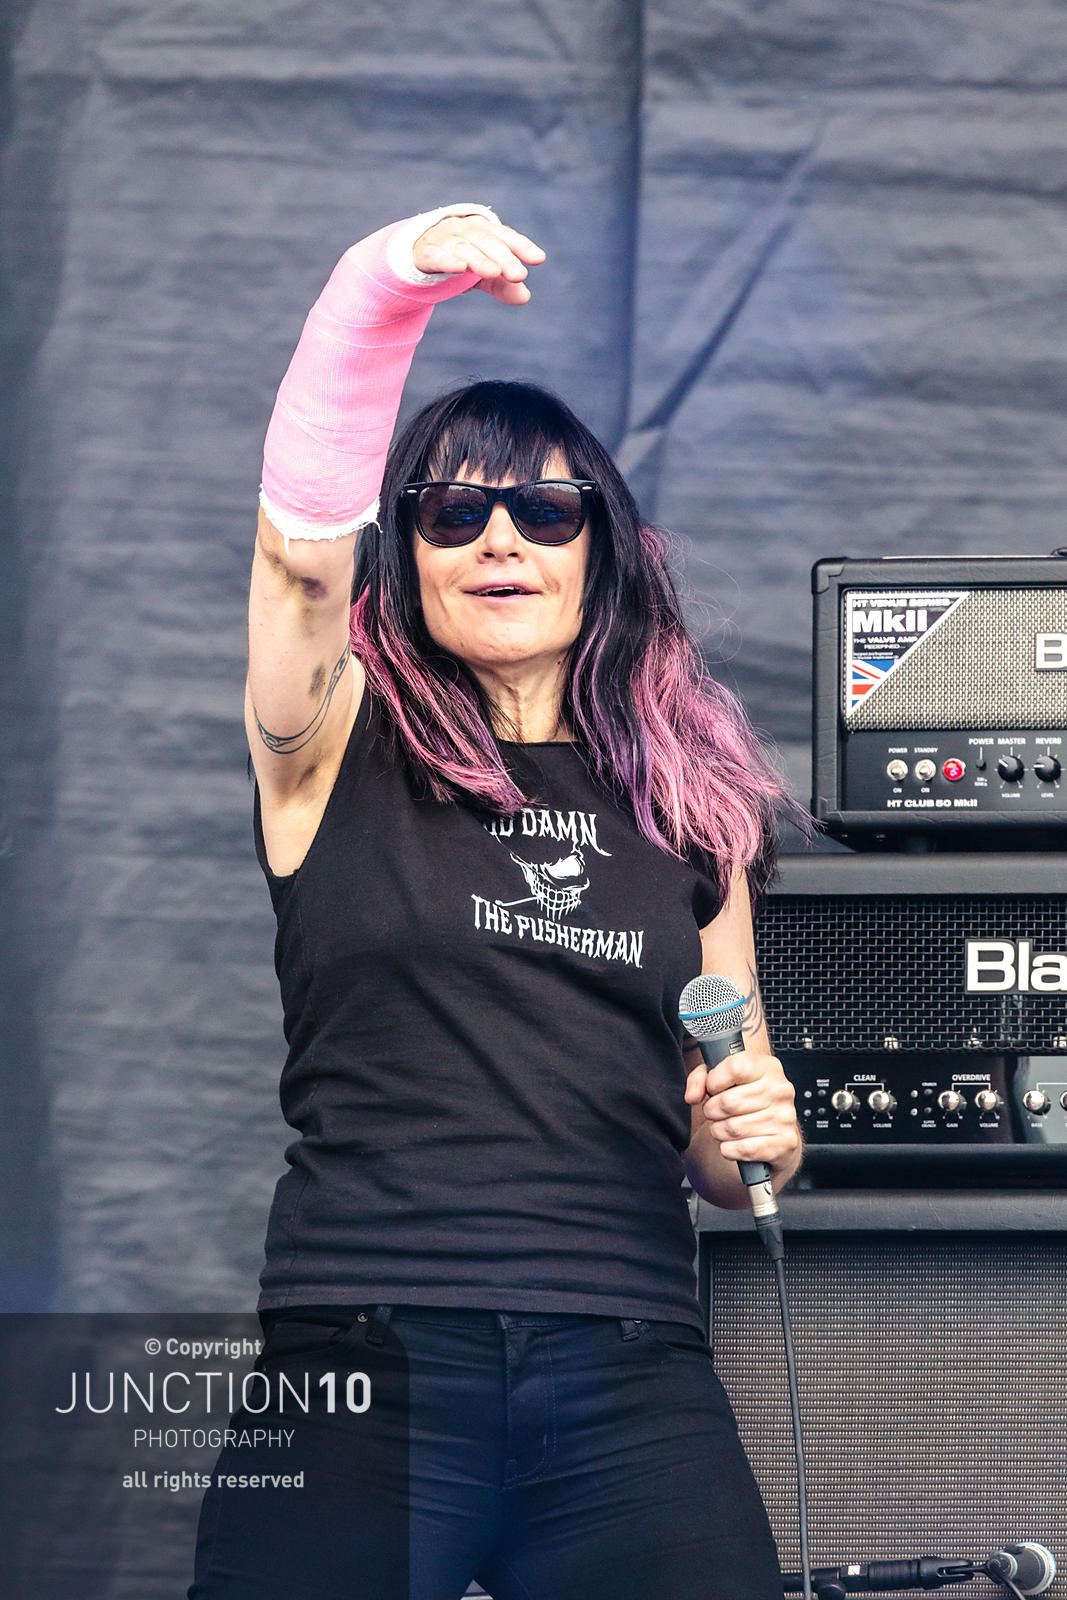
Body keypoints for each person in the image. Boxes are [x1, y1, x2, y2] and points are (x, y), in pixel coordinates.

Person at [188, 203, 803, 1600]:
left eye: (545, 510)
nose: (500, 539)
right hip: (371, 1352)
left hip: (630, 1363)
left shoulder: (688, 804)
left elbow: (726, 1143)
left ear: (603, 547)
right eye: (454, 513)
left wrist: (760, 1135)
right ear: (407, 552)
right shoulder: (332, 740)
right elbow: (296, 560)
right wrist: (380, 287)